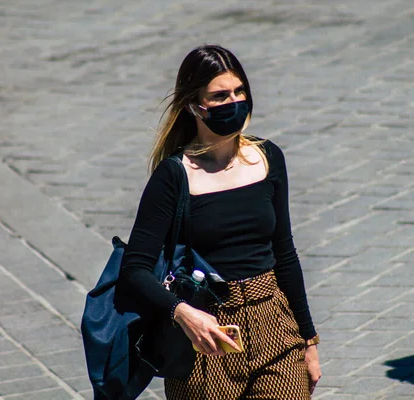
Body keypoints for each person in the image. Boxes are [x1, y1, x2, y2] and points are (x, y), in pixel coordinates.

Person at [120, 44, 322, 399]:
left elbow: (284, 252)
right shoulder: (174, 176)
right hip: (207, 336)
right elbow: (135, 268)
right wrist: (182, 313)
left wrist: (309, 339)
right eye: (219, 95)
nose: (234, 101)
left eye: (239, 91)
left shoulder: (267, 157)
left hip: (273, 322)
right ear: (193, 106)